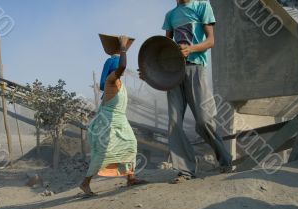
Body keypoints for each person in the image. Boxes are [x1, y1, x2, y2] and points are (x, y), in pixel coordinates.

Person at [162, 0, 232, 183]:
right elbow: (164, 47)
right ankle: (185, 171)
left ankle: (225, 159)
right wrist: (152, 68)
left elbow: (210, 41)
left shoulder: (202, 6)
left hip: (196, 68)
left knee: (203, 120)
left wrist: (190, 49)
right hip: (174, 72)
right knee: (174, 122)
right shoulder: (170, 15)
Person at [80, 36, 147, 197]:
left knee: (130, 144)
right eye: (118, 68)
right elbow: (123, 65)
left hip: (120, 120)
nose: (121, 70)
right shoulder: (111, 80)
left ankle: (131, 177)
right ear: (113, 69)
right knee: (104, 153)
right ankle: (85, 183)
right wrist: (123, 47)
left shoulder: (120, 84)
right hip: (108, 122)